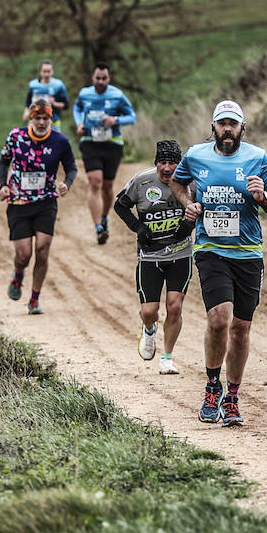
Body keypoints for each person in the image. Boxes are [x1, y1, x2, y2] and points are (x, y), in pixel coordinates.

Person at [171, 99, 267, 427]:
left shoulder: (258, 158)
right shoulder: (196, 155)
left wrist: (262, 197)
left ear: (242, 128)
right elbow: (177, 182)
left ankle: (232, 395)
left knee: (241, 328)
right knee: (219, 318)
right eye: (222, 124)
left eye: (232, 124)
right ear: (213, 127)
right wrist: (188, 204)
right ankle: (212, 386)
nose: (227, 130)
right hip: (210, 248)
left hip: (248, 252)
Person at [114, 139, 195, 374]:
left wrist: (188, 225)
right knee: (149, 311)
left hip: (180, 254)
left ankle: (167, 358)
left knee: (175, 307)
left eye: (172, 163)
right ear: (156, 163)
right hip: (149, 257)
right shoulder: (142, 181)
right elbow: (120, 206)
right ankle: (149, 330)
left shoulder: (190, 183)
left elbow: (202, 206)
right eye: (162, 162)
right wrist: (138, 228)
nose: (167, 168)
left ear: (180, 164)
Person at [0, 99, 78, 313]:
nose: (41, 122)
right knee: (24, 255)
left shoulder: (60, 141)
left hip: (46, 201)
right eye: (37, 118)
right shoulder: (16, 136)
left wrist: (66, 184)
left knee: (42, 250)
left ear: (51, 119)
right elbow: (3, 160)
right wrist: (3, 185)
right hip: (18, 202)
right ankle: (18, 275)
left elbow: (71, 168)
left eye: (45, 118)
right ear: (31, 118)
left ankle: (34, 299)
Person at [73, 62, 136, 245]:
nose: (100, 81)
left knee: (107, 187)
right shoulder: (85, 94)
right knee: (95, 182)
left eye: (104, 78)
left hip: (112, 144)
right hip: (90, 142)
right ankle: (98, 227)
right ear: (93, 78)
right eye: (97, 78)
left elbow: (131, 116)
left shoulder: (117, 95)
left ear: (109, 79)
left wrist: (115, 119)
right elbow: (77, 108)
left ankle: (104, 217)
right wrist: (79, 123)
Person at [23, 59, 69, 124]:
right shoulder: (33, 85)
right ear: (40, 71)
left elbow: (66, 105)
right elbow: (28, 102)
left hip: (52, 123)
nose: (46, 74)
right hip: (34, 122)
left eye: (49, 71)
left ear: (52, 71)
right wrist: (26, 112)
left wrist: (54, 103)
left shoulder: (58, 85)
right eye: (44, 71)